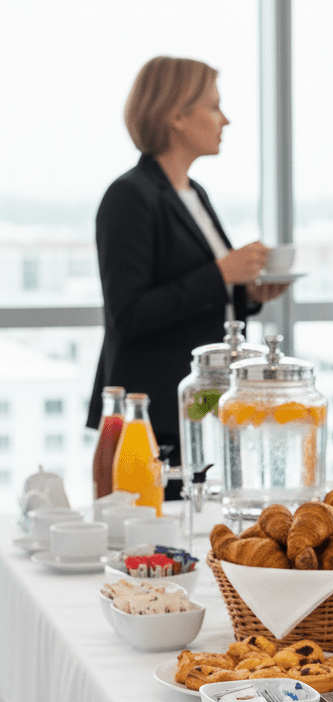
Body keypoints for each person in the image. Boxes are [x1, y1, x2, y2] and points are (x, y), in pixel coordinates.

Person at [87, 57, 287, 488]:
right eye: (214, 107)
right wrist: (221, 273)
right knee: (162, 541)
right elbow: (129, 314)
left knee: (201, 526)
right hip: (150, 416)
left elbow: (201, 293)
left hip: (198, 408)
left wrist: (248, 293)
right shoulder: (129, 196)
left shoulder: (194, 193)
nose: (226, 120)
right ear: (175, 115)